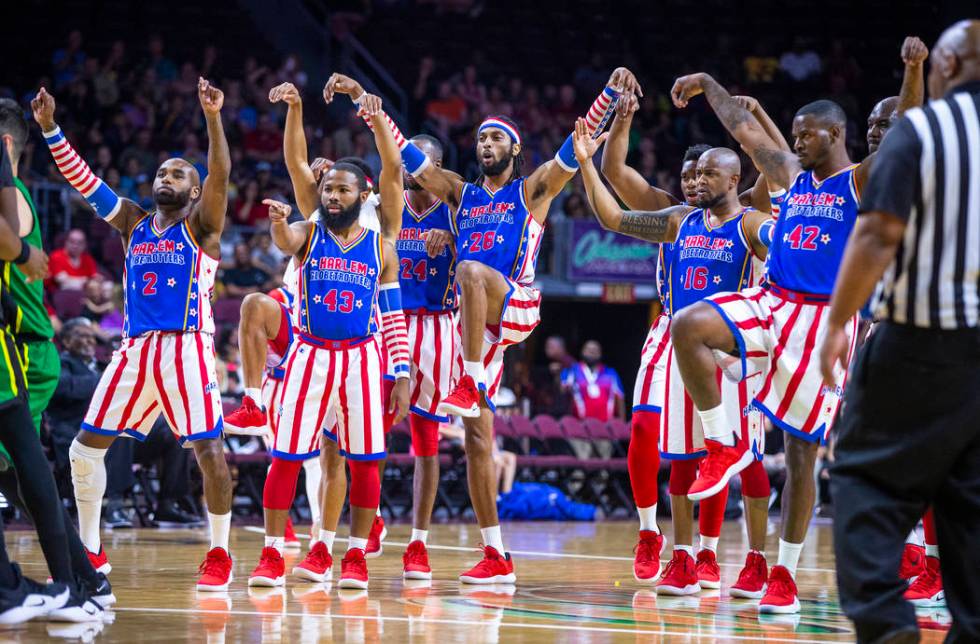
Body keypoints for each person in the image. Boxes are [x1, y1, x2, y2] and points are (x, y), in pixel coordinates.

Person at [341, 66, 638, 583]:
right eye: (479, 137)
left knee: (472, 270)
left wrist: (609, 94)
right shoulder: (459, 192)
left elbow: (577, 145)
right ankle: (495, 553)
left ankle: (472, 375)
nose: (485, 143)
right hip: (469, 325)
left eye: (496, 136)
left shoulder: (533, 190)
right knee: (479, 439)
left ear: (514, 148)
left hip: (516, 305)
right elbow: (410, 157)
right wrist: (375, 112)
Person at [665, 51, 916, 612]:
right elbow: (746, 131)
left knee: (801, 454)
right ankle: (723, 439)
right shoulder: (792, 179)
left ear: (835, 134)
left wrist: (914, 72)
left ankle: (785, 573)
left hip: (824, 320)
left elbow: (904, 135)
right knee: (689, 325)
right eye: (796, 134)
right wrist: (709, 82)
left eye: (807, 135)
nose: (796, 141)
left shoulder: (861, 181)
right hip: (771, 301)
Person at [33, 79, 237, 590]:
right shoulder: (132, 221)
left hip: (187, 344)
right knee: (83, 451)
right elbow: (86, 182)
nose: (165, 177)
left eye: (178, 175)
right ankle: (91, 551)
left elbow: (223, 175)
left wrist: (212, 117)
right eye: (162, 171)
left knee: (208, 450)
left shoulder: (202, 227)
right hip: (134, 349)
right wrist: (51, 129)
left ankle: (219, 553)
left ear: (193, 192)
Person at [819, 20, 980, 643]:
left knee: (861, 479)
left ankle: (889, 629)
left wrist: (838, 320)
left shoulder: (924, 129)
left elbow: (879, 231)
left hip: (920, 341)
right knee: (968, 504)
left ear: (944, 67)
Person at [575, 123, 774, 598]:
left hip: (734, 347)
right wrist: (585, 163)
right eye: (694, 173)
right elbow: (612, 219)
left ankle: (757, 559)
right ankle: (682, 556)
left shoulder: (750, 223)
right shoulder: (679, 219)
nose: (696, 180)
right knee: (684, 455)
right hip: (684, 344)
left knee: (746, 460)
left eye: (708, 173)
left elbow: (787, 246)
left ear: (732, 180)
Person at [247, 163, 409, 590]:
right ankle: (271, 554)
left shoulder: (382, 249)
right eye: (328, 189)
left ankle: (354, 555)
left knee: (366, 461)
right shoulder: (308, 232)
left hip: (362, 358)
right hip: (310, 354)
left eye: (342, 190)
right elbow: (286, 241)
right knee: (286, 456)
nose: (332, 197)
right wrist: (279, 224)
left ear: (362, 195)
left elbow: (392, 316)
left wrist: (403, 373)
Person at [561, 340, 624, 422]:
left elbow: (620, 399)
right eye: (589, 350)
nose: (592, 352)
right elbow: (562, 391)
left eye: (595, 350)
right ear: (582, 352)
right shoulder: (572, 370)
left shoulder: (611, 373)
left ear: (601, 354)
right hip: (580, 425)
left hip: (606, 427)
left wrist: (622, 424)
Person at [45, 228, 98, 292]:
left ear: (85, 245)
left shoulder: (88, 259)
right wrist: (87, 281)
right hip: (58, 295)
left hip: (82, 295)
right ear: (66, 242)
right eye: (72, 241)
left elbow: (96, 279)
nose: (75, 246)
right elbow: (64, 283)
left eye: (80, 243)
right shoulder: (56, 256)